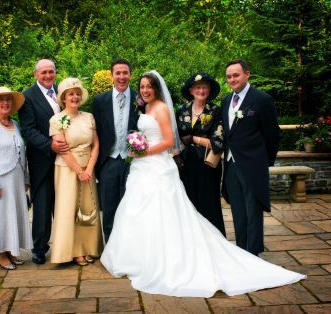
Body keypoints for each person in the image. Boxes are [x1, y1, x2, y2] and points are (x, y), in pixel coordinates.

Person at [100, 70, 305, 297]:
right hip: (149, 167)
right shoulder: (147, 108)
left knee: (169, 210)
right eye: (143, 86)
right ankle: (137, 257)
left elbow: (169, 140)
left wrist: (143, 150)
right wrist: (136, 146)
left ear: (157, 88)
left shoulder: (163, 108)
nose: (145, 90)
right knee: (138, 210)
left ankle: (172, 256)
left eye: (149, 86)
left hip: (166, 165)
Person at [221, 59, 281, 255]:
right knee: (238, 211)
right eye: (229, 76)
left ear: (247, 74)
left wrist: (264, 162)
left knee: (252, 212)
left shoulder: (262, 99)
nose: (232, 79)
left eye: (236, 75)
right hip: (230, 164)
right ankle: (242, 252)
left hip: (252, 165)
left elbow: (272, 135)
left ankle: (253, 253)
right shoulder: (226, 101)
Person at [18, 59, 69, 264]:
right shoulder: (27, 97)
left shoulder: (62, 93)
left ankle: (66, 245)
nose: (48, 76)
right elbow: (28, 129)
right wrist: (50, 145)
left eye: (51, 72)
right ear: (35, 74)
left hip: (65, 158)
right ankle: (39, 248)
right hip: (42, 159)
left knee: (64, 204)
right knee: (42, 205)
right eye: (44, 72)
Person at [49, 78, 103, 266]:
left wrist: (88, 168)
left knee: (88, 209)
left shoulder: (88, 117)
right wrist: (79, 171)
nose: (75, 97)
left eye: (78, 93)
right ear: (64, 98)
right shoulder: (57, 120)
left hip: (88, 168)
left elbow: (96, 144)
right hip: (67, 169)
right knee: (69, 209)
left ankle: (88, 248)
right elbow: (63, 149)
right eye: (71, 94)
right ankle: (71, 252)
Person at [0, 87, 32, 270]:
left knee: (13, 215)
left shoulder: (15, 124)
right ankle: (1, 254)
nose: (5, 103)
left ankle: (11, 251)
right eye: (1, 100)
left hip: (16, 180)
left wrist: (26, 178)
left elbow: (22, 153)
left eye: (8, 100)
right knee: (0, 216)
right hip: (0, 180)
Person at [91, 58, 140, 242]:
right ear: (111, 75)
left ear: (130, 75)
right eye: (118, 73)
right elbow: (95, 132)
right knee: (109, 205)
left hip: (132, 161)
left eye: (125, 73)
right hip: (108, 160)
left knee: (130, 205)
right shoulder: (99, 101)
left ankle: (128, 245)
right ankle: (110, 245)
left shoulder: (139, 99)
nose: (121, 76)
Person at [176, 72, 225, 235]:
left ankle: (214, 241)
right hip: (185, 165)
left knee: (208, 203)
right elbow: (175, 137)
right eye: (197, 87)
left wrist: (194, 139)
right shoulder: (182, 110)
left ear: (209, 90)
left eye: (204, 87)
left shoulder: (216, 111)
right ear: (191, 90)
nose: (201, 91)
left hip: (207, 165)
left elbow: (217, 142)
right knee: (188, 203)